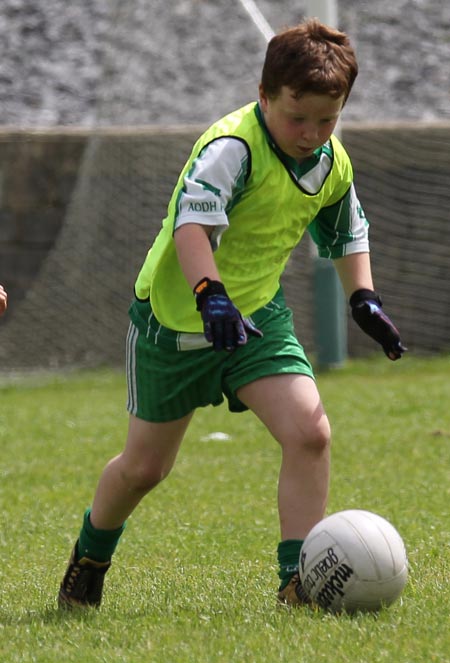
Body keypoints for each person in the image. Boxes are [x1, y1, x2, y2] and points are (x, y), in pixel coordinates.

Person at [58, 18, 406, 610]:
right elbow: (193, 225)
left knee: (310, 434)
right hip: (176, 323)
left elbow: (348, 230)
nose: (312, 133)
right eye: (298, 117)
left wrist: (363, 298)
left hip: (256, 321)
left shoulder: (329, 160)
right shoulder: (231, 148)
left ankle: (298, 582)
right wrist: (208, 294)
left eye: (328, 119)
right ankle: (90, 557)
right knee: (144, 468)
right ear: (265, 95)